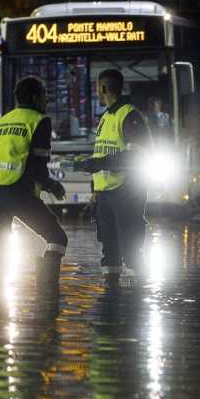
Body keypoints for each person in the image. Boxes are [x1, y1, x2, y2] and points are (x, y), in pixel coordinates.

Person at [0, 76, 68, 289]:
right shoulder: (40, 121)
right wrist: (51, 185)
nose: (46, 101)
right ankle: (47, 293)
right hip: (18, 191)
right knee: (57, 238)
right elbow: (39, 165)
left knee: (1, 249)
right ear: (35, 97)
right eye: (44, 96)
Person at [74, 69, 153, 284]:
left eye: (97, 88)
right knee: (109, 249)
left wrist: (98, 164)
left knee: (130, 247)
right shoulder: (107, 116)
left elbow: (135, 155)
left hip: (126, 192)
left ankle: (136, 301)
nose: (96, 92)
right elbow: (102, 153)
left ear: (102, 88)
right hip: (106, 194)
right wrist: (95, 193)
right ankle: (111, 303)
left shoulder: (129, 115)